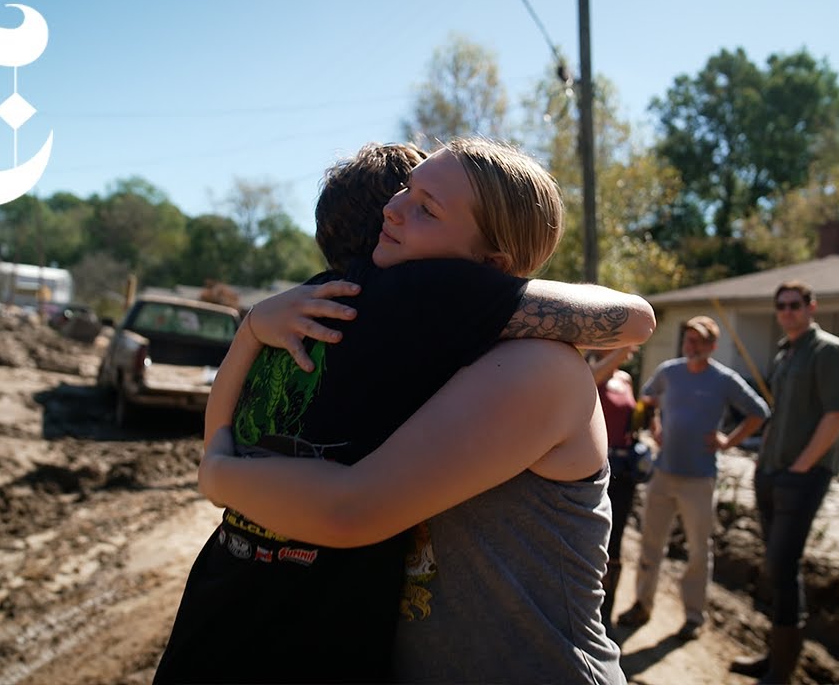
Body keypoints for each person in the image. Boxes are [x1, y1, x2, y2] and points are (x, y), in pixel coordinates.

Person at [157, 138, 647, 683]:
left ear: (492, 266)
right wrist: (254, 326)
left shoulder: (538, 366)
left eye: (426, 208)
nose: (393, 210)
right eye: (404, 192)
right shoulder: (415, 347)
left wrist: (220, 474)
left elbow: (351, 509)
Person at [731, 281, 839, 684]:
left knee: (784, 566)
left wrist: (799, 468)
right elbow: (780, 415)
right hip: (771, 471)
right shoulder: (786, 353)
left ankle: (782, 671)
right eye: (781, 306)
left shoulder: (830, 352)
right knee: (773, 568)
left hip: (801, 478)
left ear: (811, 306)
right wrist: (765, 463)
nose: (787, 312)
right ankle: (773, 657)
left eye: (794, 305)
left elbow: (836, 416)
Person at [616, 315, 769, 640]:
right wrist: (655, 425)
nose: (692, 345)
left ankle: (693, 617)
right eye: (689, 339)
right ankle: (642, 605)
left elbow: (759, 412)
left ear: (713, 346)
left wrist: (727, 441)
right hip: (663, 474)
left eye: (700, 340)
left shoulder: (723, 379)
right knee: (649, 545)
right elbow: (647, 398)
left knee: (699, 551)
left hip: (699, 479)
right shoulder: (670, 372)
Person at [589, 344, 641, 628]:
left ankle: (606, 614)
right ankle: (587, 609)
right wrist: (622, 349)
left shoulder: (626, 379)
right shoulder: (585, 370)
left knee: (616, 542)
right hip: (594, 468)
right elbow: (595, 377)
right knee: (593, 539)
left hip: (623, 471)